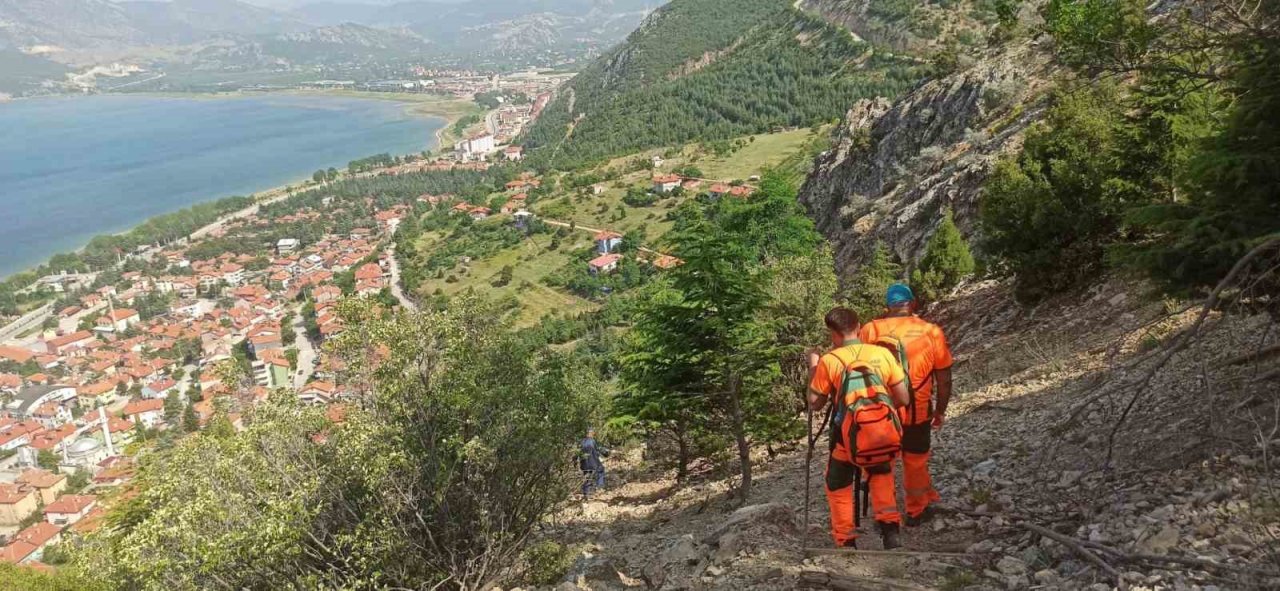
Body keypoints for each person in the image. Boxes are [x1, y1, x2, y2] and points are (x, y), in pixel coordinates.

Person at [808, 307, 911, 549]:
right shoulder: (882, 354)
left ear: (833, 333)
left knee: (838, 483)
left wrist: (813, 367)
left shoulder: (830, 361)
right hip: (881, 434)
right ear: (859, 326)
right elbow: (903, 398)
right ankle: (890, 532)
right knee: (881, 474)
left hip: (845, 439)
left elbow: (815, 404)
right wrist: (877, 417)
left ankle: (846, 541)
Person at [859, 283, 954, 526]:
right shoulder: (931, 331)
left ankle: (886, 516)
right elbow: (944, 378)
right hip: (917, 410)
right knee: (915, 459)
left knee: (881, 463)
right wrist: (941, 410)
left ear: (887, 308)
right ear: (911, 304)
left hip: (879, 411)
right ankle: (916, 510)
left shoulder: (870, 330)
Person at [579, 428, 609, 500]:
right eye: (593, 433)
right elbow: (599, 449)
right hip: (593, 462)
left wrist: (575, 461)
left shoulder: (582, 442)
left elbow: (577, 452)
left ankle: (586, 492)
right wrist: (606, 453)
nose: (593, 434)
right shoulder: (592, 441)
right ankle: (600, 487)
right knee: (601, 470)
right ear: (591, 433)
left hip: (584, 464)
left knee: (587, 476)